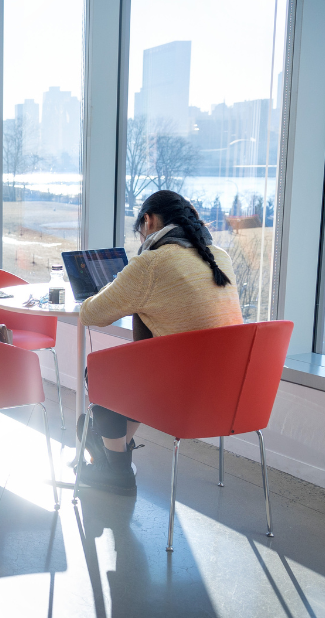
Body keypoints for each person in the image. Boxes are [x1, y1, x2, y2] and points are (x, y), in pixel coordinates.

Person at [77, 190, 243, 494]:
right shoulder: (220, 256)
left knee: (100, 372)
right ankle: (114, 448)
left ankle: (116, 469)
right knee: (133, 369)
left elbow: (91, 314)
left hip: (181, 396)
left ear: (149, 221)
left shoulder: (151, 263)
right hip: (232, 393)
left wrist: (116, 286)